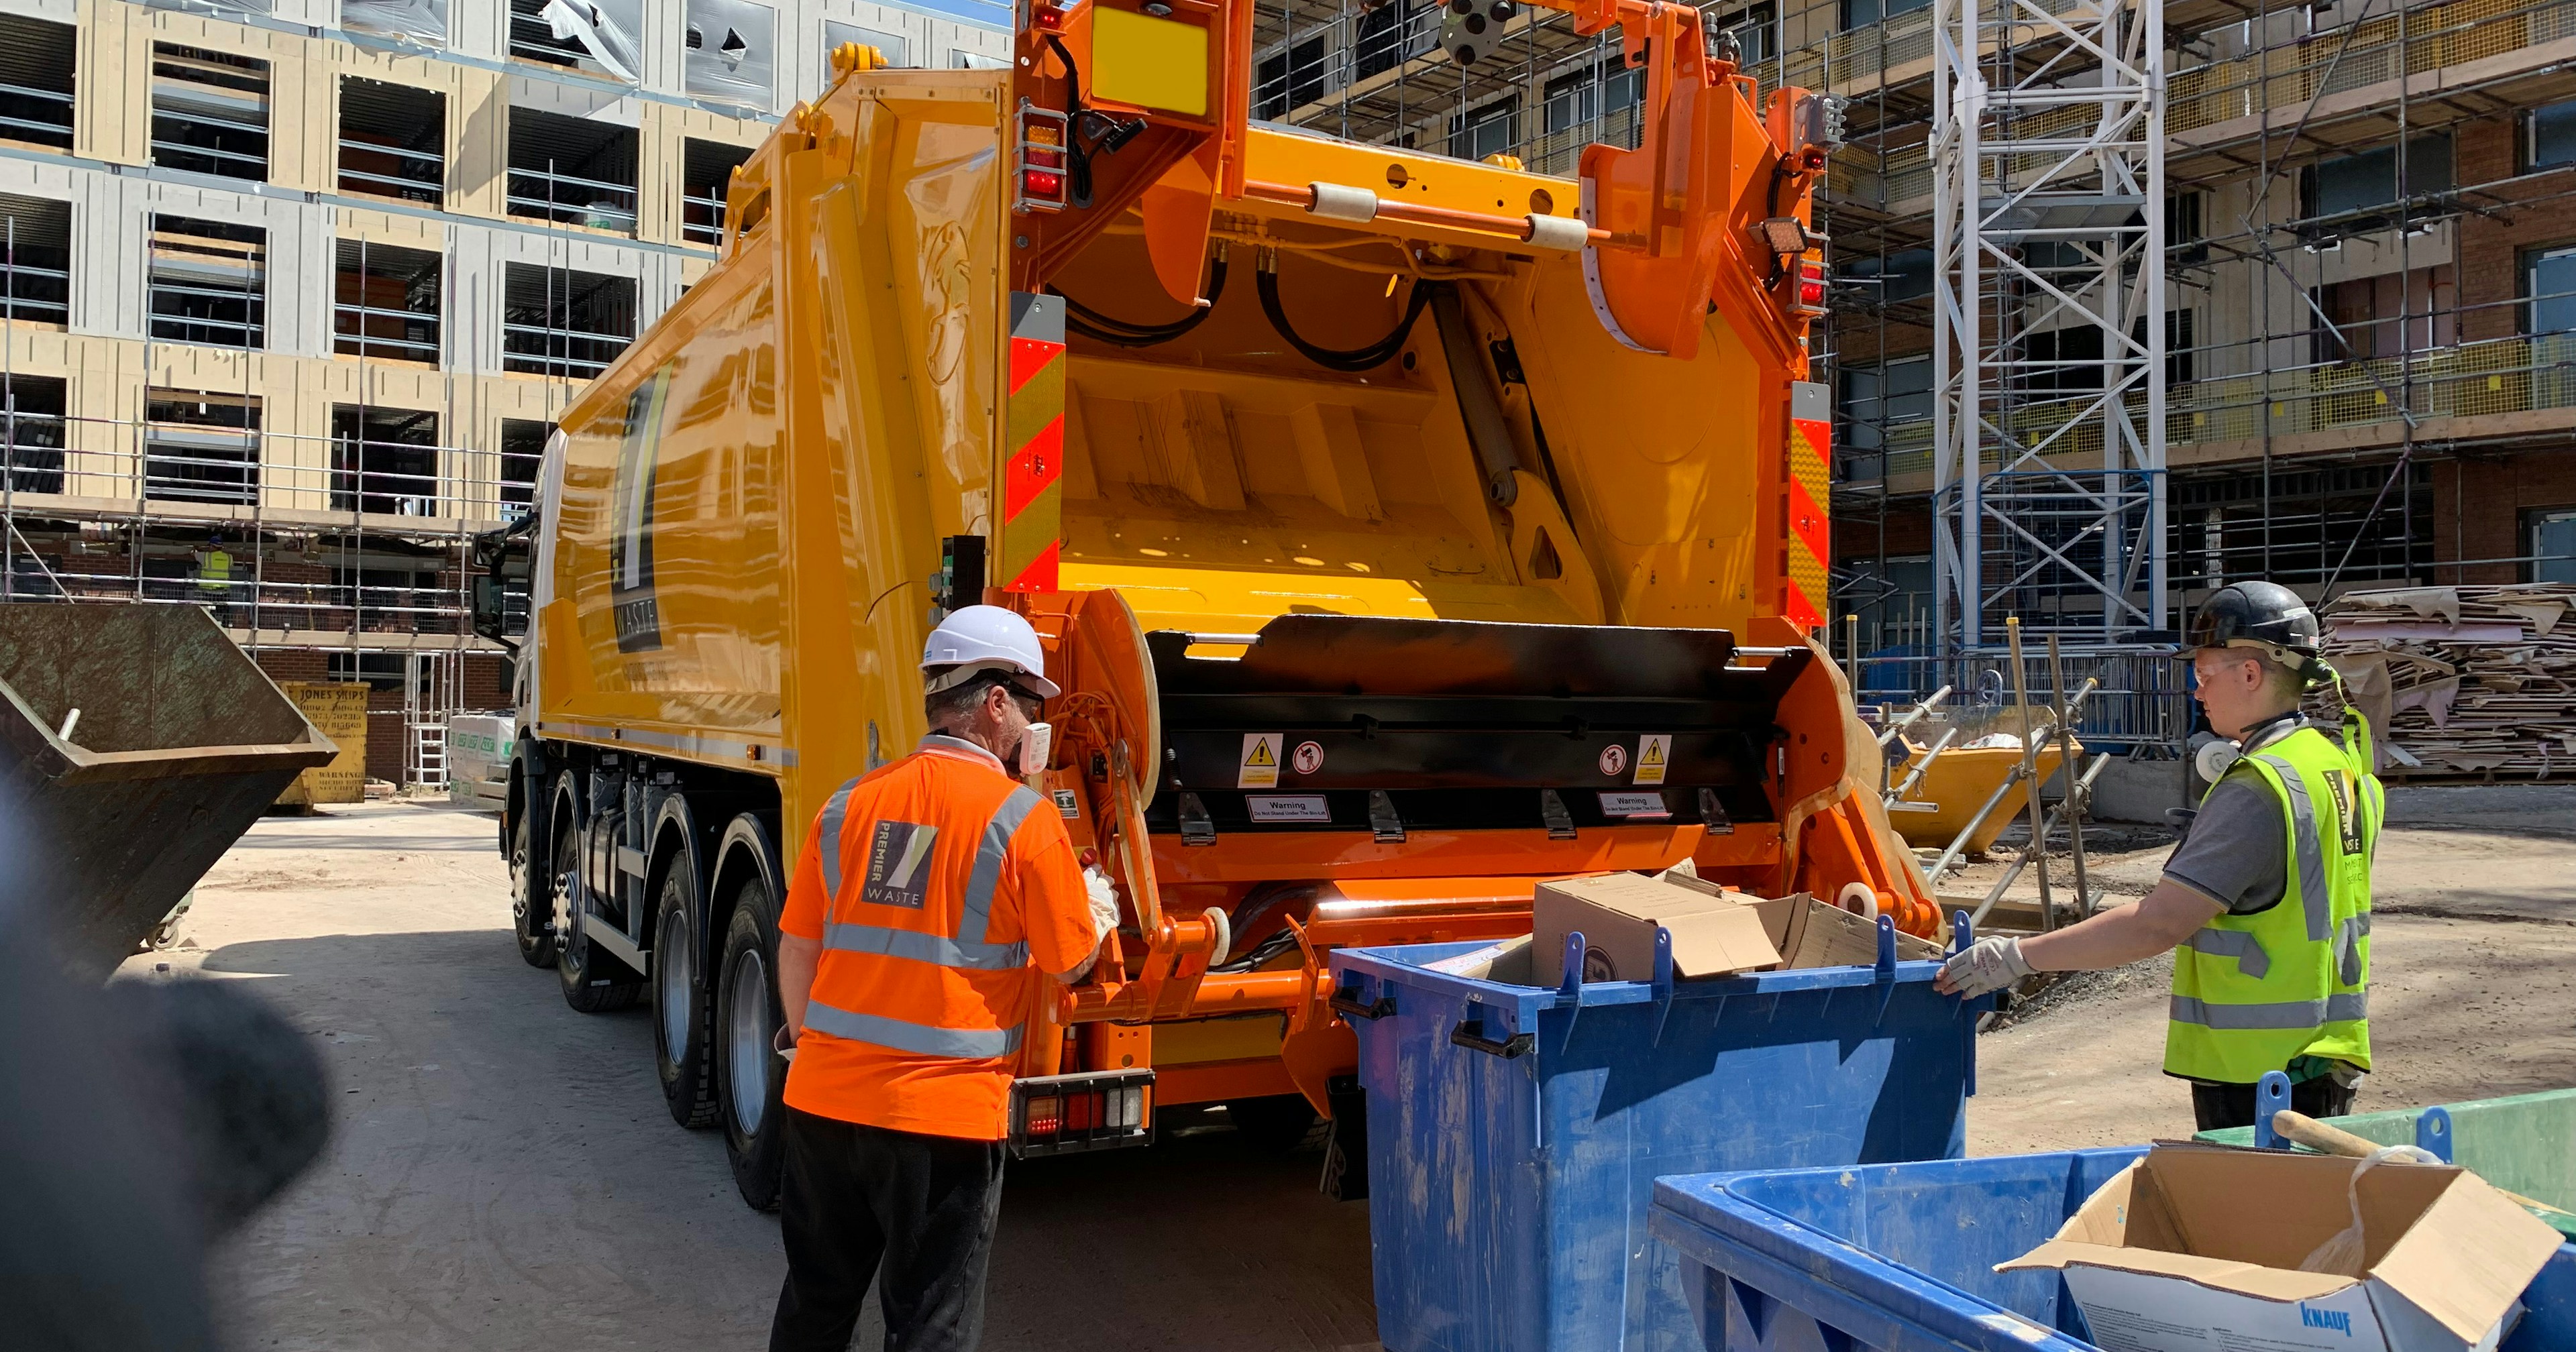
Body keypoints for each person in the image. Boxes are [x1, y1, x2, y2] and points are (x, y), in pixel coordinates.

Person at [769, 604, 1118, 1352]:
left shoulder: (844, 807)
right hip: (944, 1123)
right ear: (995, 704)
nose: (1034, 723)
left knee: (815, 1308)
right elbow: (1069, 960)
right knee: (930, 1327)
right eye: (1031, 705)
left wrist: (814, 1047)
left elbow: (797, 948)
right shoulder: (1024, 821)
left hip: (824, 1108)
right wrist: (1096, 909)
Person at [1935, 581, 2381, 1131]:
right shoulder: (2336, 765)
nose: (2197, 693)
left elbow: (2156, 925)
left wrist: (2017, 958)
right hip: (2326, 1053)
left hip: (2262, 1073)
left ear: (2250, 673)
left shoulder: (2256, 788)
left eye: (2204, 675)